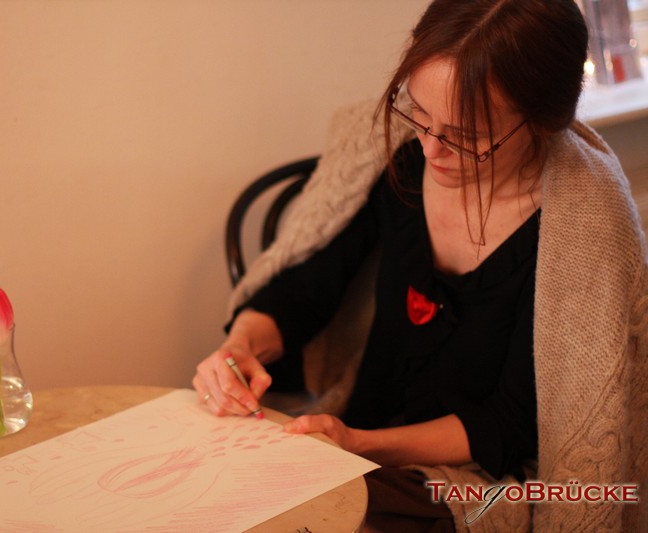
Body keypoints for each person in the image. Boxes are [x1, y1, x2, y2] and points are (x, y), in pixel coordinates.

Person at [193, 0, 648, 531]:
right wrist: (241, 346)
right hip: (361, 433)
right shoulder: (402, 158)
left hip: (487, 478)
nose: (432, 149)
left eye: (466, 136)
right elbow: (307, 288)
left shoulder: (582, 229)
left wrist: (358, 445)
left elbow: (512, 423)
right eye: (420, 112)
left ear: (544, 121)